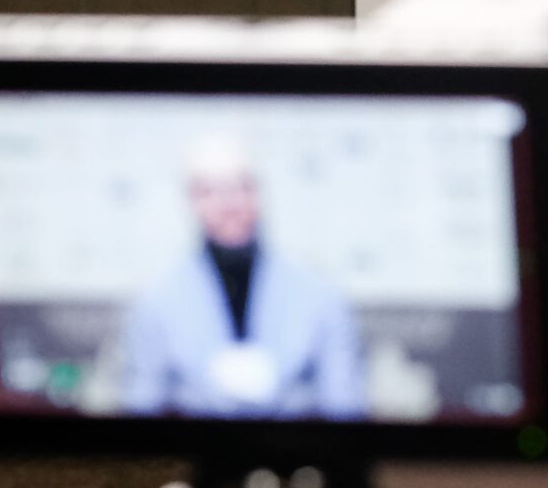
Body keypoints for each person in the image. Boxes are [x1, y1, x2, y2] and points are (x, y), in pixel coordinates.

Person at [116, 135, 365, 418]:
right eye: (210, 191)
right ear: (192, 200)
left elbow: (344, 406)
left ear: (259, 193)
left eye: (241, 187)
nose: (229, 204)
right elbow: (141, 406)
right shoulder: (155, 300)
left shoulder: (322, 296)